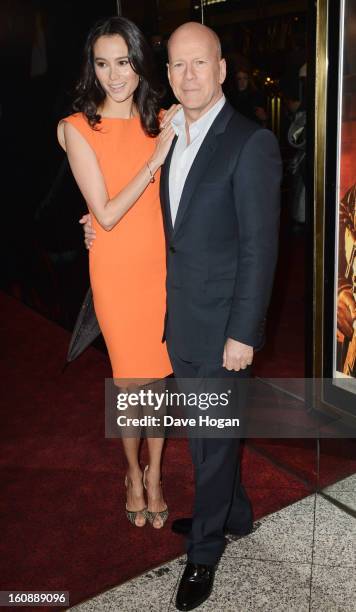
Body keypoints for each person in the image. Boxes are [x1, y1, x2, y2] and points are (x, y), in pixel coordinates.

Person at [84, 21, 282, 611]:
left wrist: (243, 333)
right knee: (211, 436)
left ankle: (203, 552)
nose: (187, 75)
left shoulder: (251, 143)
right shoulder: (164, 131)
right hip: (169, 316)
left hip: (220, 325)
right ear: (164, 72)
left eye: (200, 64)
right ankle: (236, 513)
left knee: (210, 441)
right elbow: (139, 206)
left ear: (222, 70)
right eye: (176, 65)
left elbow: (260, 249)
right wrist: (97, 226)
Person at [57, 16, 180, 530]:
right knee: (132, 384)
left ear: (139, 62)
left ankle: (156, 477)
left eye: (124, 62)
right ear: (92, 68)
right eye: (103, 64)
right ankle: (133, 472)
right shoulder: (76, 128)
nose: (114, 75)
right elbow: (104, 214)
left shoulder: (165, 118)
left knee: (160, 381)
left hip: (163, 268)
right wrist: (154, 161)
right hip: (115, 268)